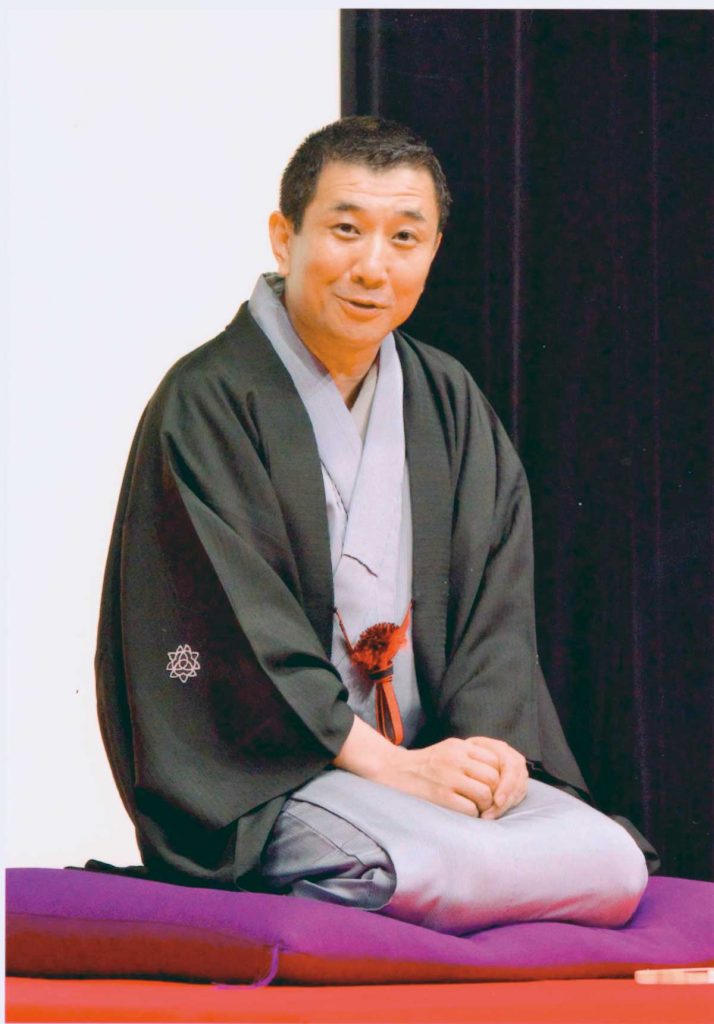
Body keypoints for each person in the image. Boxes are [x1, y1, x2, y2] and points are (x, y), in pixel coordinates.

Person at [95, 116, 656, 935]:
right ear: (285, 237)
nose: (373, 267)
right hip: (283, 776)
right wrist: (390, 769)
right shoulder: (208, 401)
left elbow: (494, 614)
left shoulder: (447, 400)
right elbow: (228, 638)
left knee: (612, 864)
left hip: (428, 770)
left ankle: (429, 883)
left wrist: (490, 756)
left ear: (432, 252)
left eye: (404, 238)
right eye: (346, 229)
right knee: (439, 864)